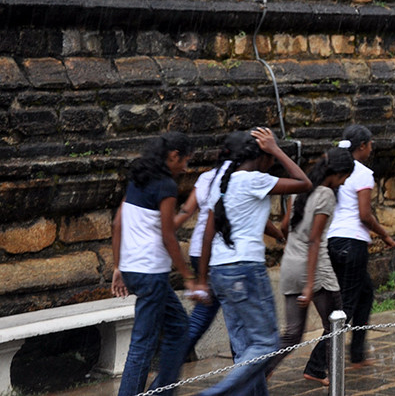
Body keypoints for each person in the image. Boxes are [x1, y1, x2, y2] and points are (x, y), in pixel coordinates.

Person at [194, 128, 311, 396]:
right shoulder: (254, 180)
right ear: (261, 155)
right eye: (267, 153)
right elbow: (304, 183)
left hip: (220, 271)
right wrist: (276, 150)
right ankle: (215, 394)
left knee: (246, 345)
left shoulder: (222, 184)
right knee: (266, 343)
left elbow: (207, 236)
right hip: (246, 269)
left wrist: (202, 279)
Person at [111, 132, 196, 396]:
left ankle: (162, 390)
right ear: (173, 156)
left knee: (180, 328)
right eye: (184, 161)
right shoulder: (166, 186)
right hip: (150, 273)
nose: (185, 167)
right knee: (143, 345)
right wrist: (187, 275)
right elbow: (168, 234)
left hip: (133, 269)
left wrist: (118, 267)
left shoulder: (139, 178)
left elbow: (117, 223)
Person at [266, 147, 355, 386]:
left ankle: (259, 371)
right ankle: (332, 380)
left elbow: (285, 227)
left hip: (290, 265)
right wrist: (308, 286)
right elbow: (315, 239)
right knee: (335, 325)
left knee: (292, 334)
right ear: (337, 173)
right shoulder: (326, 194)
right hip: (316, 271)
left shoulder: (300, 190)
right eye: (345, 176)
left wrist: (291, 246)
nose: (345, 182)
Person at [327, 124, 395, 367]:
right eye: (370, 144)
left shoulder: (332, 167)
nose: (372, 148)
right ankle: (319, 362)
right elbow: (364, 215)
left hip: (332, 240)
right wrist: (385, 235)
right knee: (347, 304)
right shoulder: (362, 172)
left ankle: (357, 352)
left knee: (364, 293)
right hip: (352, 242)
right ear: (363, 146)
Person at [180, 130, 249, 359]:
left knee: (214, 309)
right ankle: (175, 354)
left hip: (199, 250)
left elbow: (187, 210)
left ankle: (177, 353)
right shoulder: (240, 178)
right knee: (231, 311)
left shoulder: (207, 177)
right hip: (218, 252)